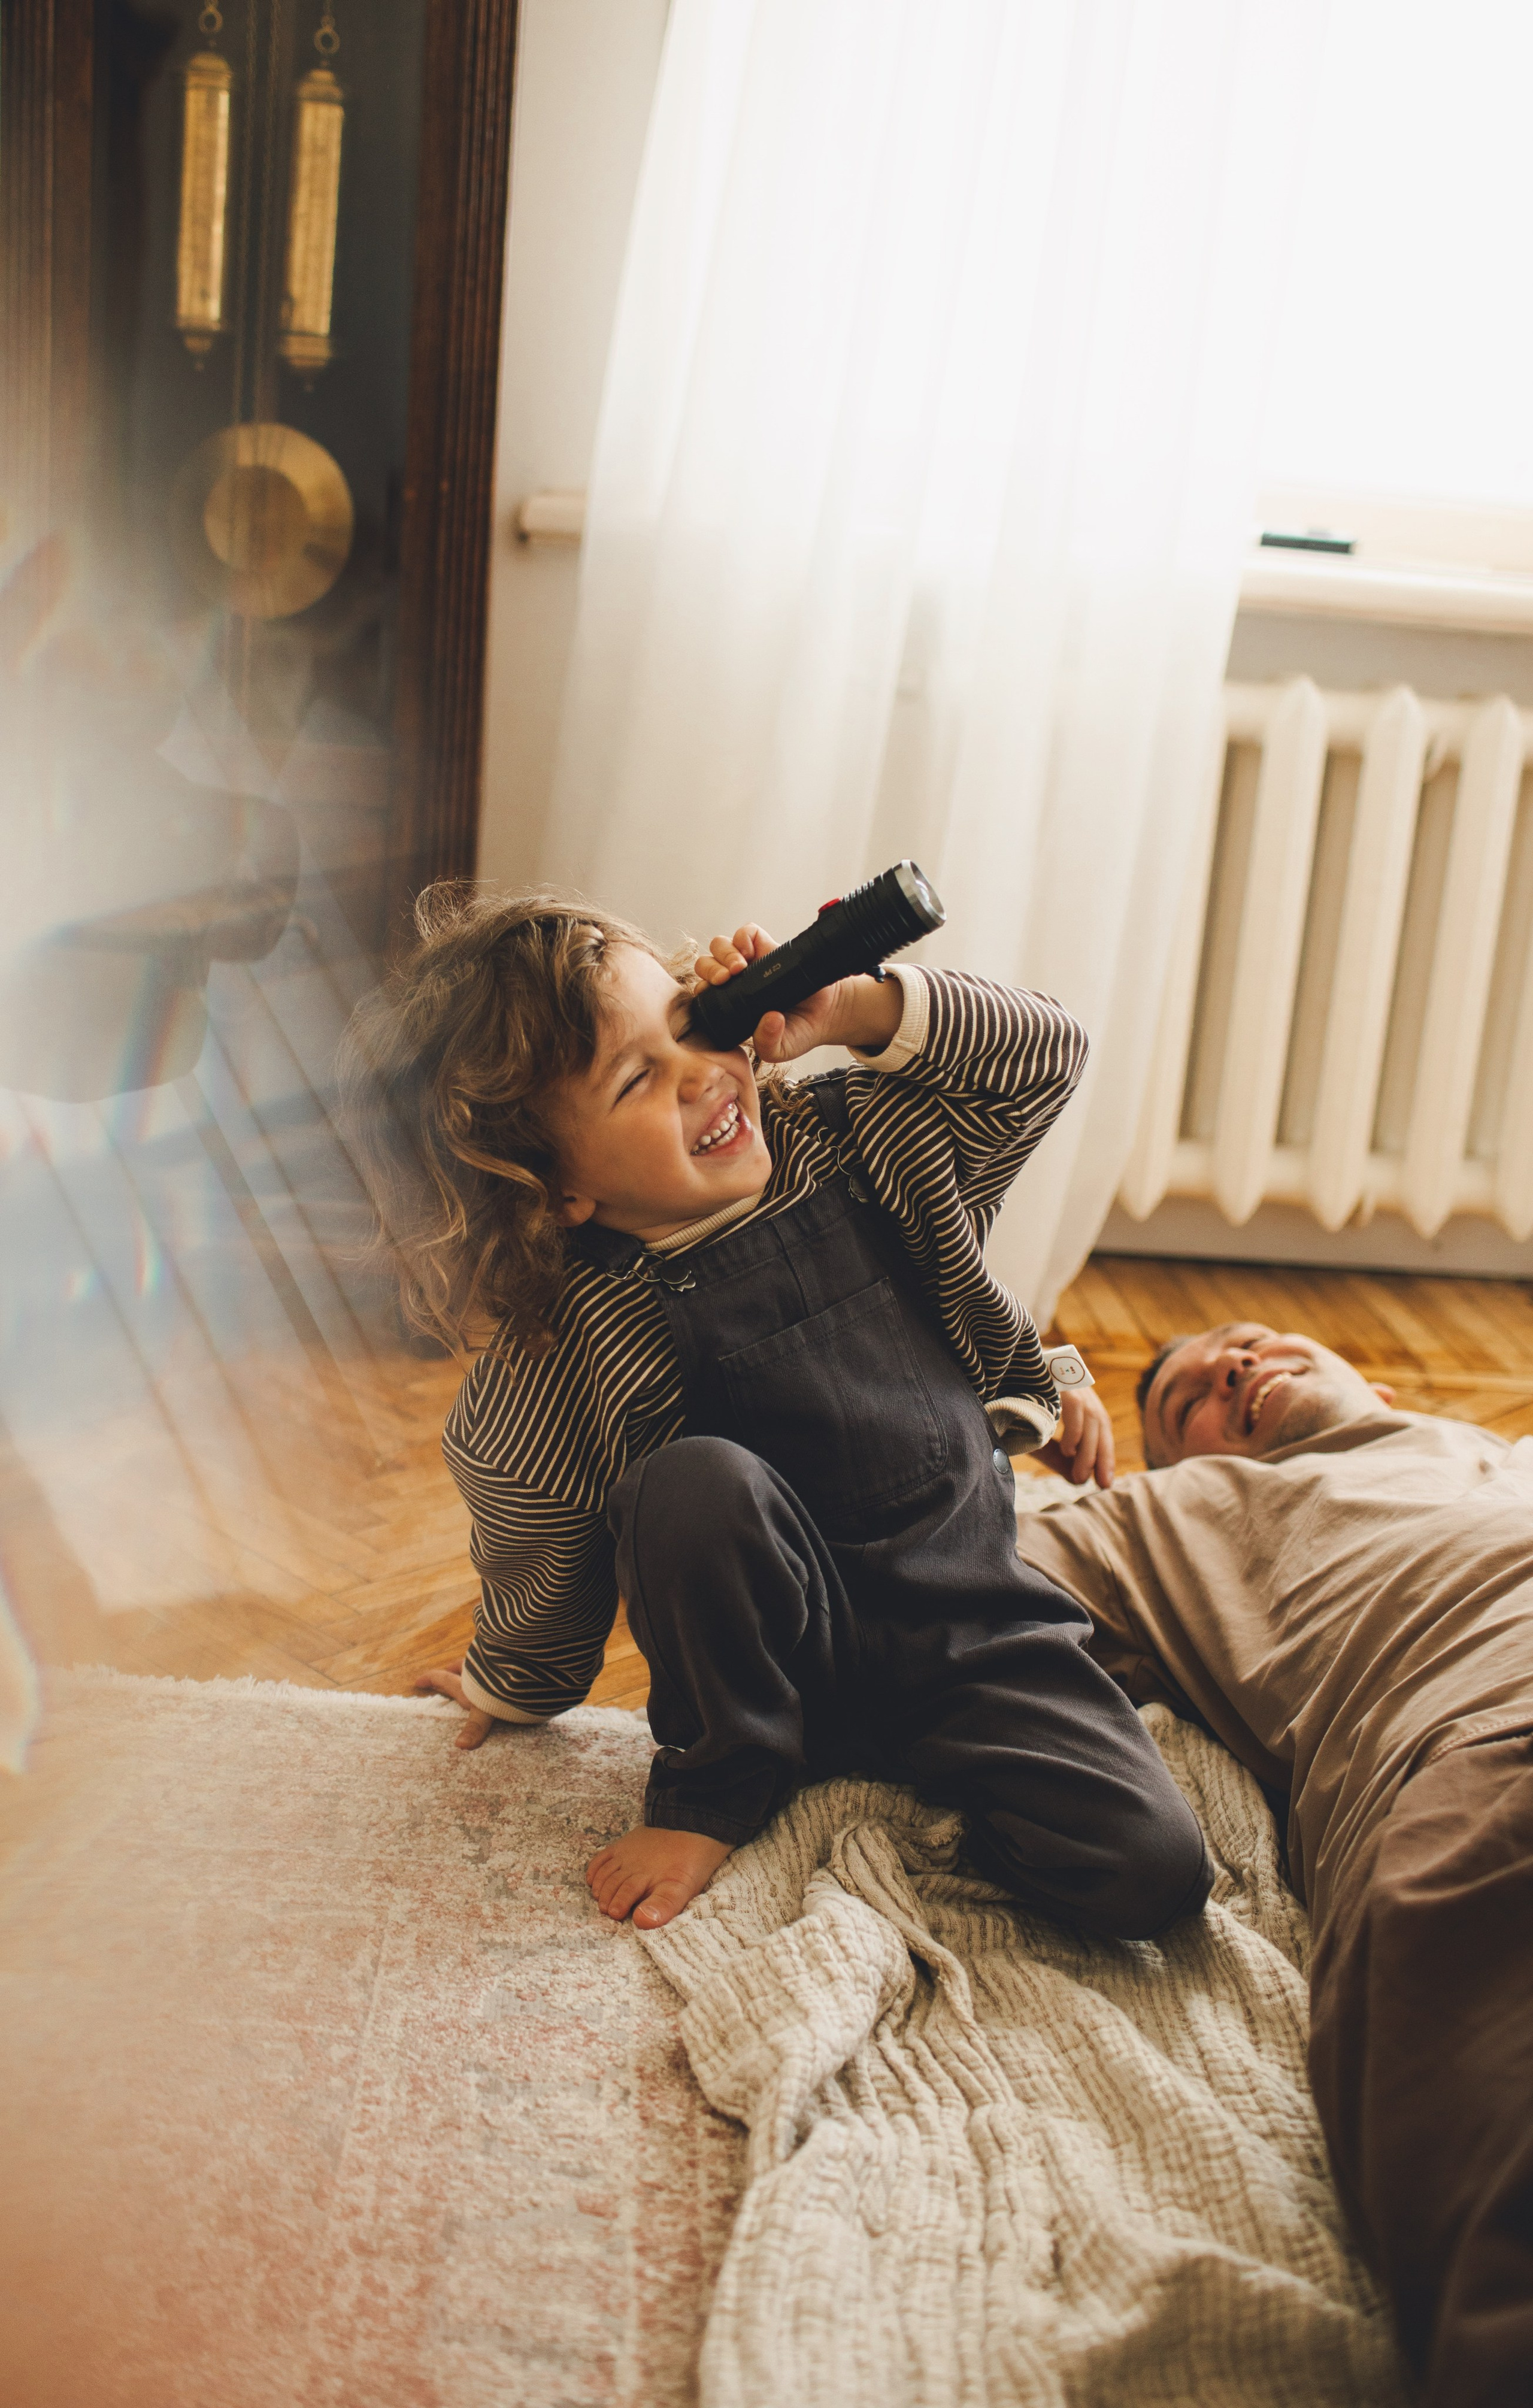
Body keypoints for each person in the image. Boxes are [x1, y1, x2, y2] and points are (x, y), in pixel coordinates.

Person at [340, 888, 1210, 1943]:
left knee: (1156, 1875)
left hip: (971, 1625)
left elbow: (1047, 1051)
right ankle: (728, 1784)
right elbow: (536, 1538)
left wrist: (854, 1010)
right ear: (557, 1188)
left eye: (691, 1026)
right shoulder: (562, 1346)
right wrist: (509, 1681)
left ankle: (912, 1787)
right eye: (636, 1080)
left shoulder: (871, 1147)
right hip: (764, 1669)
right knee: (692, 1483)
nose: (702, 1075)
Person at [1010, 1319, 1533, 2408]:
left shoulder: (1492, 1457)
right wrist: (1002, 1414)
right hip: (1484, 1763)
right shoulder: (1166, 1523)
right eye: (1187, 1401)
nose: (1232, 1366)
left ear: (1368, 1372)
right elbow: (940, 1569)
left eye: (1244, 1342)